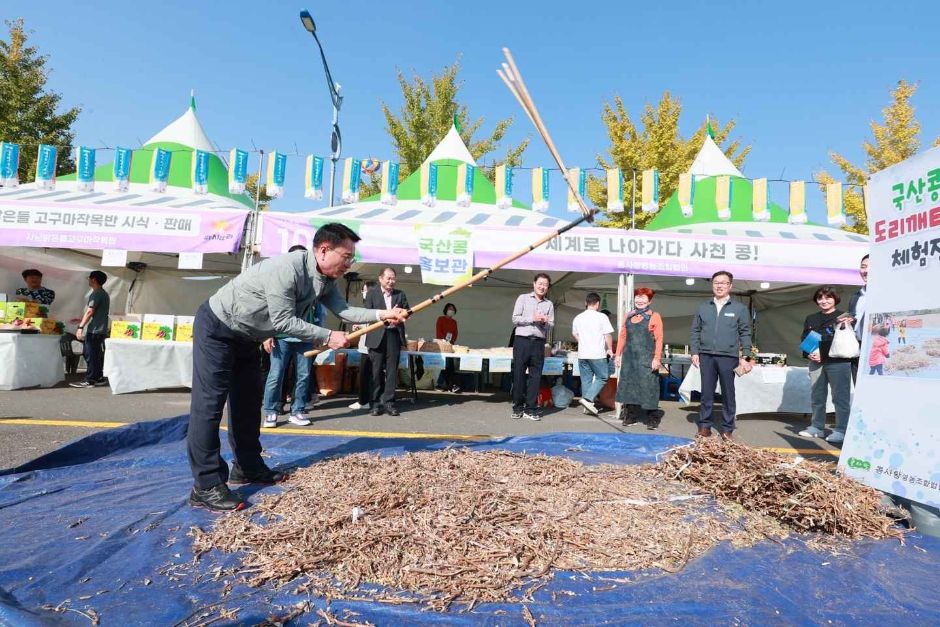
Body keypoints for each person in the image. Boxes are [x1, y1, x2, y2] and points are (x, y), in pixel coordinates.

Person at [187, 223, 407, 511]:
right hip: (218, 328)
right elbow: (282, 321)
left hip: (248, 337)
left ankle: (248, 467)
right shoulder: (287, 269)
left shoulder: (325, 279)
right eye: (347, 256)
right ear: (324, 250)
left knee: (248, 404)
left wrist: (384, 313)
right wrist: (328, 336)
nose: (349, 263)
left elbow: (344, 310)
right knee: (210, 405)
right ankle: (206, 485)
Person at [689, 270, 753, 439]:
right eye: (716, 282)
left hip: (728, 356)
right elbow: (695, 331)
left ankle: (727, 428)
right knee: (706, 393)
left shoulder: (739, 308)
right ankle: (704, 426)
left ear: (730, 286)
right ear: (712, 285)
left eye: (723, 283)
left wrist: (746, 355)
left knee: (728, 393)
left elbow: (745, 332)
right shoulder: (703, 307)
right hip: (706, 355)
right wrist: (695, 351)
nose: (719, 285)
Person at [260, 245, 316, 428]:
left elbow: (319, 311)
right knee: (276, 375)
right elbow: (269, 308)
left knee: (304, 375)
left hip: (305, 337)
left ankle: (297, 410)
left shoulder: (312, 280)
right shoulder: (280, 277)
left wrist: (319, 334)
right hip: (281, 337)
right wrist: (267, 335)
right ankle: (270, 411)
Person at [798, 287, 853, 444]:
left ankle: (841, 429)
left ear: (835, 299)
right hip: (815, 362)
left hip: (838, 362)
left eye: (828, 297)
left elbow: (845, 340)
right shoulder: (811, 318)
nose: (824, 301)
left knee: (840, 397)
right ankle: (816, 427)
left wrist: (823, 353)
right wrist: (808, 353)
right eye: (820, 298)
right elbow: (805, 338)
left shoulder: (844, 317)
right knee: (817, 396)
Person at [615, 288, 665, 429]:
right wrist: (618, 355)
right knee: (628, 386)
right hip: (629, 359)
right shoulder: (628, 316)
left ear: (649, 300)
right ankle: (630, 416)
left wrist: (657, 358)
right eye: (638, 297)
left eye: (643, 297)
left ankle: (652, 418)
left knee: (649, 387)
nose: (640, 300)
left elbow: (659, 339)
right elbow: (622, 336)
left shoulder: (654, 316)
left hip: (646, 358)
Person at [364, 268, 409, 417]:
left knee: (391, 371)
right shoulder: (372, 293)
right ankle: (375, 403)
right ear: (381, 279)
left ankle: (389, 402)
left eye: (393, 279)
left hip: (393, 335)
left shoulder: (400, 294)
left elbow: (408, 312)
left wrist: (401, 313)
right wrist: (385, 317)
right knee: (375, 372)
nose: (391, 281)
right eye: (388, 278)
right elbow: (367, 315)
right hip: (377, 336)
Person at [510, 273, 554, 421]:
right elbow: (515, 318)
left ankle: (531, 408)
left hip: (538, 342)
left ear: (548, 288)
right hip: (522, 340)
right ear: (534, 284)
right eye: (540, 283)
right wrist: (532, 319)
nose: (542, 287)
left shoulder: (549, 304)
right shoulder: (523, 298)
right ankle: (517, 407)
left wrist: (544, 322)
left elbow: (551, 325)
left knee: (535, 377)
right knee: (519, 375)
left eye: (545, 285)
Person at [571, 292, 613, 416]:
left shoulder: (578, 317)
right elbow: (608, 335)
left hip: (583, 353)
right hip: (597, 353)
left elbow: (575, 334)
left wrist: (583, 342)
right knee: (603, 377)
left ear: (586, 303)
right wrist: (610, 348)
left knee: (586, 380)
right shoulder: (602, 317)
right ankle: (588, 399)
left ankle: (587, 407)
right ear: (598, 304)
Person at [70, 271, 110, 389]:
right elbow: (95, 312)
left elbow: (90, 311)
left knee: (90, 354)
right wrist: (81, 320)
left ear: (93, 280)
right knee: (94, 354)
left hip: (95, 329)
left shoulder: (96, 293)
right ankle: (98, 378)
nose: (88, 280)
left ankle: (90, 379)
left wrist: (80, 327)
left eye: (89, 278)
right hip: (99, 329)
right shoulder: (103, 293)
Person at [349, 280, 377, 410]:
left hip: (371, 346)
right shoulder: (367, 305)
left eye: (364, 290)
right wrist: (360, 326)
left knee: (368, 375)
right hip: (365, 345)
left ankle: (366, 401)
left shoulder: (376, 306)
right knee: (366, 374)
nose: (363, 293)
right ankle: (365, 400)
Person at [844, 254, 869, 382]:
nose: (866, 271)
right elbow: (854, 317)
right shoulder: (856, 296)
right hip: (856, 349)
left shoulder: (886, 293)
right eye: (863, 267)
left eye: (871, 267)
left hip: (875, 349)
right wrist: (848, 321)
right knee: (858, 386)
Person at [435, 303, 461, 393]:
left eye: (453, 309)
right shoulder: (440, 319)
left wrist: (452, 341)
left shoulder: (454, 322)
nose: (451, 311)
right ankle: (449, 384)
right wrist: (444, 340)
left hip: (450, 345)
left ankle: (445, 384)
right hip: (442, 344)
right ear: (446, 310)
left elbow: (455, 333)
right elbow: (439, 331)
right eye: (450, 309)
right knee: (446, 364)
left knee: (449, 364)